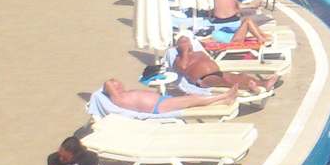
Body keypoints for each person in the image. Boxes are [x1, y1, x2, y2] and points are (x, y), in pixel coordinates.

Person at [170, 39, 267, 96]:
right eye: (183, 43)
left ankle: (263, 83)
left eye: (187, 42)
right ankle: (252, 87)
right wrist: (184, 51)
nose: (187, 44)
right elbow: (182, 67)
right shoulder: (179, 59)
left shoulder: (198, 53)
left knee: (239, 76)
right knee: (226, 81)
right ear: (179, 47)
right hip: (202, 80)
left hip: (216, 73)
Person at [103, 74, 245, 113]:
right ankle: (224, 95)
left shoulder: (123, 95)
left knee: (193, 102)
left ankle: (224, 101)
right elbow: (109, 83)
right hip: (158, 106)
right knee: (193, 99)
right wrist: (110, 84)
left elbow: (114, 84)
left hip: (161, 101)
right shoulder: (118, 99)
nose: (118, 84)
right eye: (115, 86)